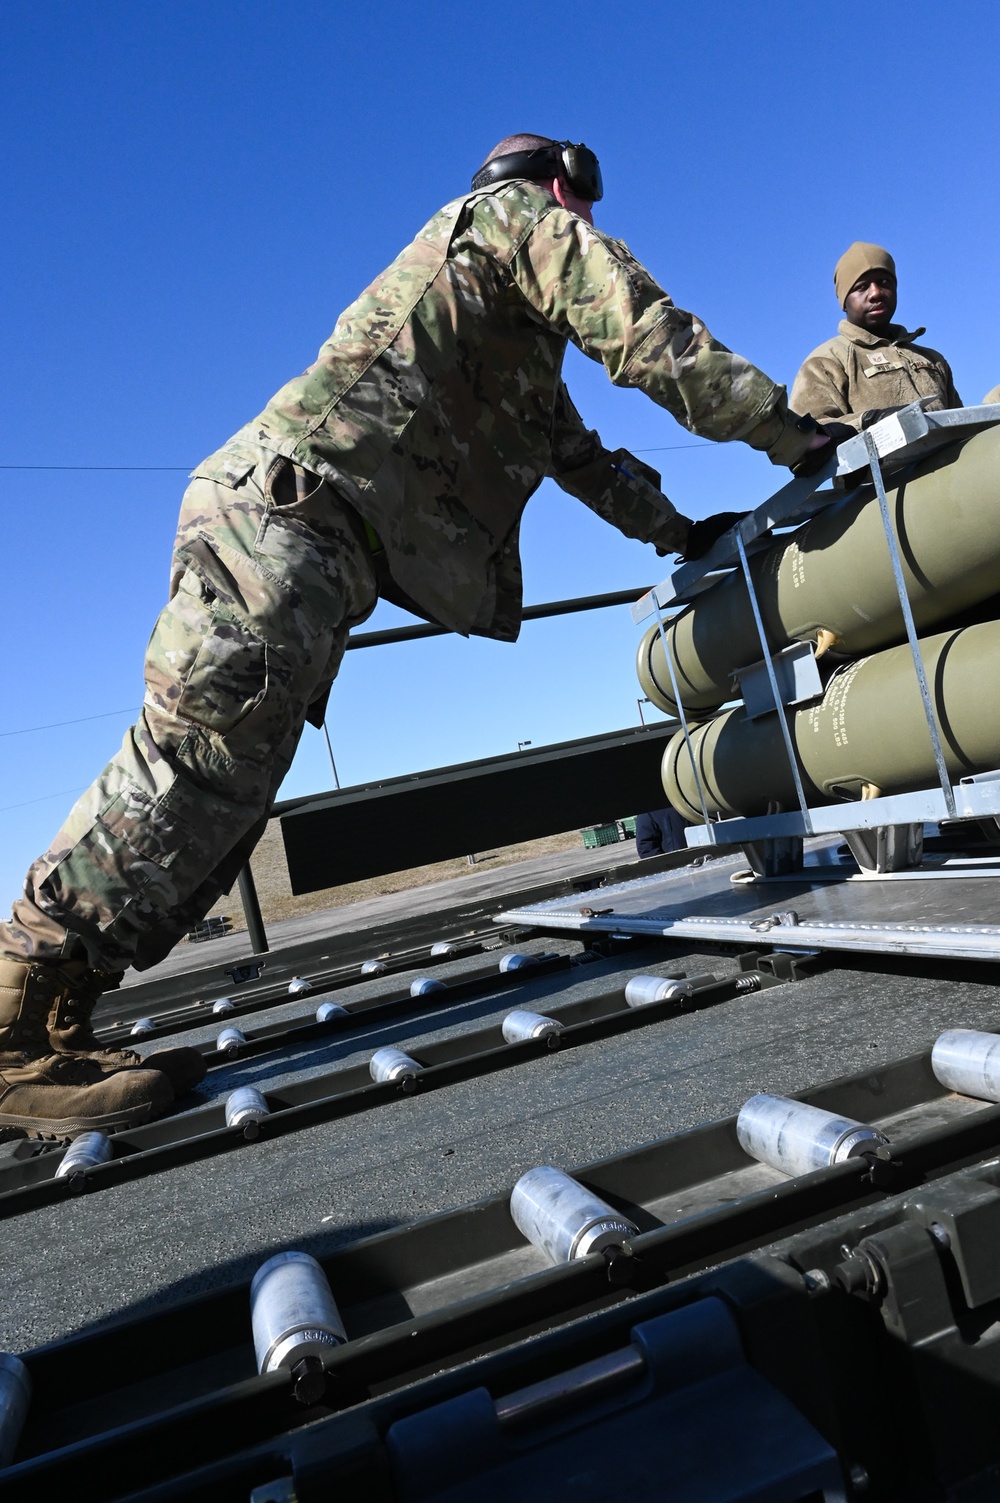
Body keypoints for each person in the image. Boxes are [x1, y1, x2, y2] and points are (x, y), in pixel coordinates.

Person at [0, 133, 834, 1133]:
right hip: (285, 526)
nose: (594, 223)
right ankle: (8, 1031)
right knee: (187, 773)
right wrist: (791, 435)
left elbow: (581, 458)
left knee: (220, 798)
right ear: (555, 186)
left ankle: (52, 1029)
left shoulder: (498, 334)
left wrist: (678, 530)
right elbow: (652, 340)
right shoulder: (514, 222)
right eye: (587, 202)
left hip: (305, 540)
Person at [791, 242, 962, 432]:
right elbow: (808, 432)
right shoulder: (825, 361)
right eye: (862, 287)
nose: (876, 293)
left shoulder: (932, 359)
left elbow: (962, 425)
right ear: (844, 302)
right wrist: (871, 420)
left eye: (884, 282)